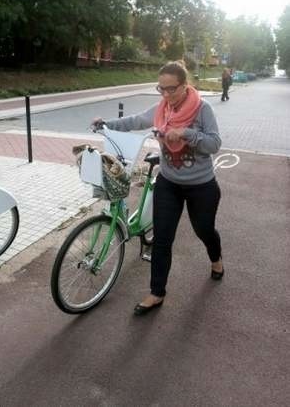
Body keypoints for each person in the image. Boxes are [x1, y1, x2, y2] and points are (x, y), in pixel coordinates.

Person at [93, 61, 223, 316]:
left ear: (185, 86)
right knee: (162, 239)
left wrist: (187, 134)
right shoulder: (161, 109)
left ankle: (216, 258)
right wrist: (105, 123)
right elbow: (135, 120)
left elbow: (214, 143)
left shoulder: (202, 109)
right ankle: (157, 293)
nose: (165, 95)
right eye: (160, 89)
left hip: (201, 185)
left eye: (171, 89)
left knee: (204, 229)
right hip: (169, 183)